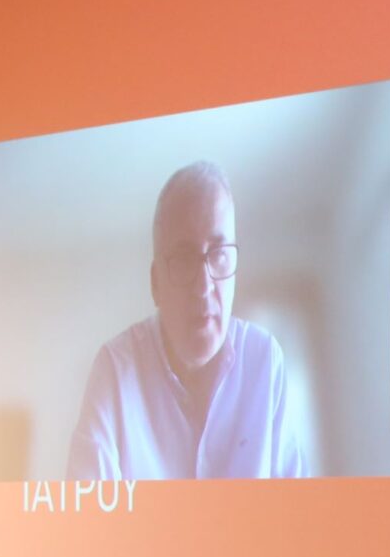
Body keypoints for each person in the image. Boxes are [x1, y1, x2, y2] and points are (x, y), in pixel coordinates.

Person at [67, 161, 310, 480]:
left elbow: (295, 505)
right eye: (183, 260)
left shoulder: (265, 360)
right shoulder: (115, 370)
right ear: (155, 283)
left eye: (219, 254)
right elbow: (86, 508)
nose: (203, 287)